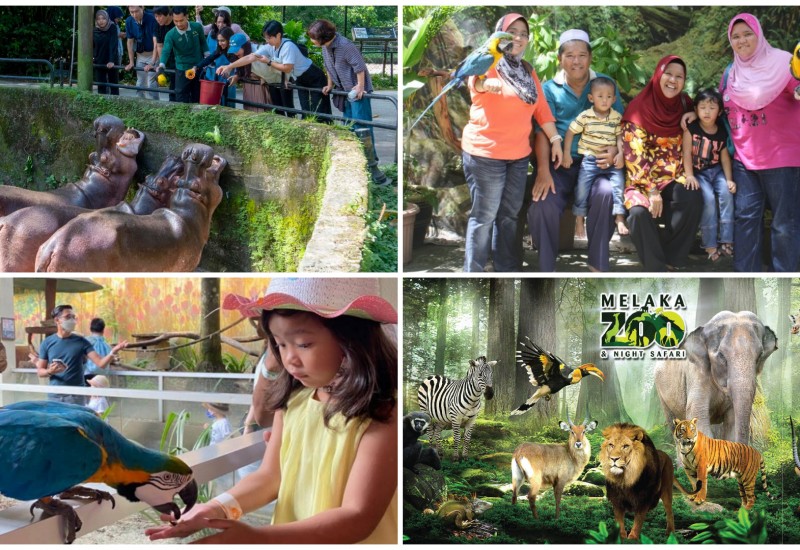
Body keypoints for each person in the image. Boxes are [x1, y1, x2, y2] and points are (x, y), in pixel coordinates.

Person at [145, 278, 397, 544]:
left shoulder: (382, 415)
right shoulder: (293, 402)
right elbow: (269, 477)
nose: (289, 358)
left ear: (351, 341)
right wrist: (215, 509)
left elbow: (358, 517)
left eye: (303, 344)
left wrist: (258, 538)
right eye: (280, 344)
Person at [460, 13, 561, 272]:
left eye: (523, 33)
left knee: (508, 217)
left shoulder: (527, 71)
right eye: (511, 31)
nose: (517, 37)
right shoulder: (488, 60)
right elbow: (476, 82)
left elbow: (542, 110)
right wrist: (486, 84)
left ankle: (506, 270)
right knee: (484, 218)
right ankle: (474, 274)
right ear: (499, 34)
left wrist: (556, 139)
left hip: (517, 157)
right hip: (485, 155)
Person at [527, 29, 623, 272]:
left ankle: (597, 263)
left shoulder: (605, 85)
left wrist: (614, 150)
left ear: (590, 58)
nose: (576, 61)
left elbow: (622, 126)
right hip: (560, 164)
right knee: (543, 203)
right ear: (560, 59)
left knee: (605, 192)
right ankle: (546, 267)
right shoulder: (549, 89)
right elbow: (540, 131)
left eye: (582, 55)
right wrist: (543, 170)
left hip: (597, 163)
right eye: (570, 55)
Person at [721, 13, 800, 271]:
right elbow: (719, 106)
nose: (741, 40)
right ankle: (745, 273)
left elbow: (797, 90)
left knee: (784, 223)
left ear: (759, 34)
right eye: (735, 36)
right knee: (745, 218)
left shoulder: (784, 63)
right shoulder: (730, 73)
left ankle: (786, 274)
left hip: (782, 158)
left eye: (747, 34)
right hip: (744, 158)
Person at [621, 55, 703, 272]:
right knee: (638, 214)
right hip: (643, 181)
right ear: (658, 75)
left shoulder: (684, 102)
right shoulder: (638, 108)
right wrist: (652, 191)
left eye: (679, 77)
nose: (673, 81)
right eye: (668, 74)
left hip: (674, 175)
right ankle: (655, 267)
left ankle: (673, 259)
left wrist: (694, 112)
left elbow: (706, 112)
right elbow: (634, 158)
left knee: (692, 196)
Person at [219, 21, 332, 122]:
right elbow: (250, 57)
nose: (267, 41)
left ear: (278, 35)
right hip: (300, 78)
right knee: (306, 110)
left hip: (313, 76)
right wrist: (229, 66)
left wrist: (269, 62)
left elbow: (287, 68)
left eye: (269, 38)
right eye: (265, 38)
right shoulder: (270, 47)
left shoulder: (288, 46)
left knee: (319, 109)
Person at [562, 76, 626, 239]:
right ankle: (579, 218)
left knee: (618, 185)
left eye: (609, 96)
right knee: (582, 188)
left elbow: (620, 138)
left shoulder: (616, 117)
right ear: (591, 98)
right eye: (600, 96)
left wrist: (620, 154)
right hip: (590, 161)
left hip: (611, 163)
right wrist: (566, 153)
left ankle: (619, 217)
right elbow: (570, 132)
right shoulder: (586, 116)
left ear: (614, 99)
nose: (604, 100)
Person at [308, 19, 378, 157]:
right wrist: (330, 85)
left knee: (362, 127)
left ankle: (370, 160)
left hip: (357, 91)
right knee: (348, 126)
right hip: (345, 91)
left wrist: (360, 87)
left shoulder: (345, 45)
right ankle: (354, 158)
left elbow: (359, 66)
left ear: (323, 37)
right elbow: (328, 67)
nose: (312, 40)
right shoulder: (325, 47)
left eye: (313, 38)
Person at [34, 305, 127, 406]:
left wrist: (113, 352)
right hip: (55, 395)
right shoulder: (47, 343)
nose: (72, 320)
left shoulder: (82, 341)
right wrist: (49, 371)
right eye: (68, 317)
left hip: (76, 395)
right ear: (57, 320)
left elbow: (101, 363)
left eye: (73, 317)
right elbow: (40, 372)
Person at [682, 88, 736, 262]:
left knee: (727, 194)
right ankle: (709, 244)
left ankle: (727, 240)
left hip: (717, 170)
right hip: (699, 173)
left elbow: (725, 157)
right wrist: (689, 175)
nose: (706, 111)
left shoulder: (721, 130)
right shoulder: (691, 129)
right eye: (702, 107)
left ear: (719, 111)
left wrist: (729, 179)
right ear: (695, 109)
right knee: (709, 200)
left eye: (712, 108)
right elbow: (686, 153)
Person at [157, 7, 209, 104]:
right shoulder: (170, 34)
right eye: (176, 21)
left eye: (181, 20)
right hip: (182, 68)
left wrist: (208, 57)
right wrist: (161, 65)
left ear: (187, 17)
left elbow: (203, 43)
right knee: (181, 97)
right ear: (172, 18)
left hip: (198, 67)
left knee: (198, 96)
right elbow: (166, 51)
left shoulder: (197, 27)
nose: (179, 24)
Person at [194, 27, 243, 106]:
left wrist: (234, 71)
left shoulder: (237, 49)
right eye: (219, 41)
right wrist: (196, 67)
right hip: (230, 75)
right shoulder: (222, 49)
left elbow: (243, 63)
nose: (220, 43)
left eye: (223, 40)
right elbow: (210, 58)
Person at [125, 6, 159, 100]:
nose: (134, 15)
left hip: (153, 53)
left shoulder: (152, 18)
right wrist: (131, 61)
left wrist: (152, 62)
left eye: (136, 11)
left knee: (151, 83)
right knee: (140, 83)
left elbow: (156, 42)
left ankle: (156, 105)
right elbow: (130, 41)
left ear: (142, 8)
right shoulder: (129, 21)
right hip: (140, 55)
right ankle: (140, 104)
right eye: (131, 12)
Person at [151, 6, 176, 101]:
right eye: (155, 16)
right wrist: (162, 64)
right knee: (172, 88)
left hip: (180, 59)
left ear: (167, 14)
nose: (157, 19)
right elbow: (159, 46)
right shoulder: (158, 26)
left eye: (159, 16)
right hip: (168, 59)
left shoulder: (176, 22)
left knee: (178, 88)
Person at [93, 10, 120, 96]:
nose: (101, 21)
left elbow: (113, 44)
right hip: (99, 60)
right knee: (101, 86)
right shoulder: (94, 30)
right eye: (98, 19)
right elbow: (92, 46)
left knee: (114, 85)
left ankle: (116, 105)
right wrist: (92, 58)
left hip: (111, 60)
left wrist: (111, 60)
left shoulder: (112, 27)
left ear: (107, 18)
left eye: (103, 18)